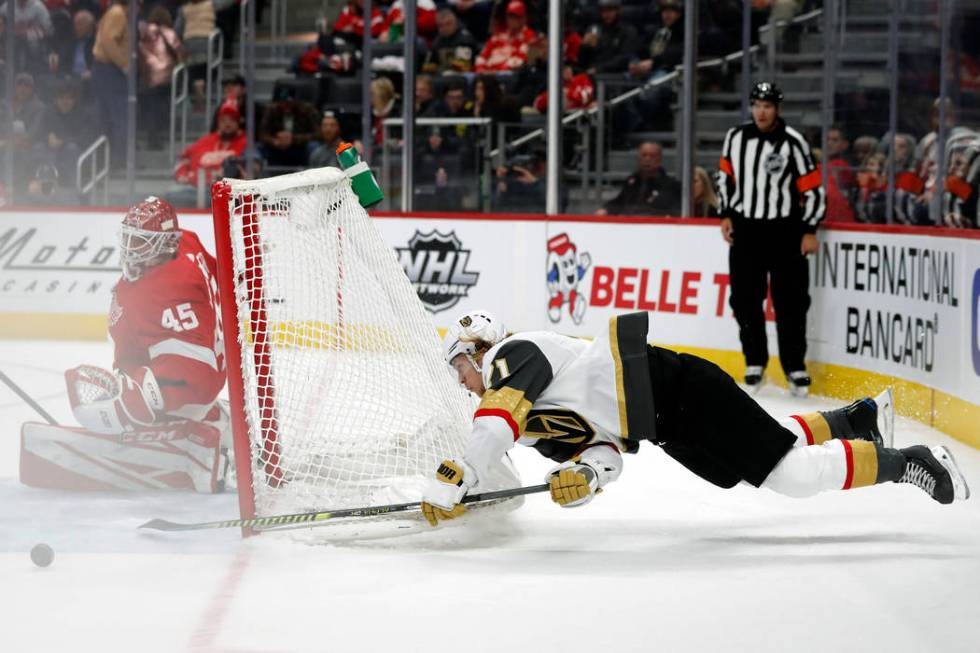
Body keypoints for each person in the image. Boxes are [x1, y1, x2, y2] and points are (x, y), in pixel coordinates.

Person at [419, 310, 969, 526]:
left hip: (677, 387)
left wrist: (462, 474)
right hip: (668, 425)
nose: (462, 382)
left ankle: (910, 462)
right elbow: (605, 454)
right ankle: (855, 422)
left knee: (792, 477)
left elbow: (495, 423)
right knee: (756, 457)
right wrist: (584, 478)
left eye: (459, 367)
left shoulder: (516, 355)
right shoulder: (535, 416)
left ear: (477, 348)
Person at [20, 197, 232, 493]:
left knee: (121, 411)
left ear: (166, 242)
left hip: (190, 380)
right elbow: (222, 277)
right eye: (130, 239)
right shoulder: (190, 243)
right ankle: (214, 418)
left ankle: (195, 452)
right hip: (212, 367)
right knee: (141, 390)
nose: (132, 249)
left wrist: (131, 395)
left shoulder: (152, 290)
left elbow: (163, 359)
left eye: (142, 242)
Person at [717, 82, 825, 396]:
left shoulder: (794, 142)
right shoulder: (736, 137)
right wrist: (725, 214)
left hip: (785, 231)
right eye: (756, 105)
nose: (761, 112)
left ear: (777, 109)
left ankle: (794, 366)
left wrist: (809, 229)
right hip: (746, 230)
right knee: (744, 299)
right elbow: (725, 178)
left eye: (767, 106)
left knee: (790, 302)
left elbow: (813, 189)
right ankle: (754, 362)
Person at [597, 141, 681, 216]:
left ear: (659, 160)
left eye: (652, 156)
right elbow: (620, 201)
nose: (647, 159)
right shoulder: (632, 181)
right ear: (639, 158)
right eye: (644, 155)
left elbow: (671, 211)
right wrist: (607, 209)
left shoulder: (669, 185)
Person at [474, 0, 536, 73]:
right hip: (487, 73)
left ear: (523, 18)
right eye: (510, 16)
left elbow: (520, 61)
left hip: (508, 75)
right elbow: (482, 56)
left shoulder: (528, 36)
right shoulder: (498, 35)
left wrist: (495, 71)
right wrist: (481, 69)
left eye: (516, 17)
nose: (512, 20)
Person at [421, 8, 478, 74]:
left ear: (455, 23)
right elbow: (427, 65)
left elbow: (463, 66)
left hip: (462, 76)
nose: (444, 28)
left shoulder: (465, 39)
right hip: (441, 74)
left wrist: (439, 68)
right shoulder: (437, 41)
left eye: (448, 24)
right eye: (441, 25)